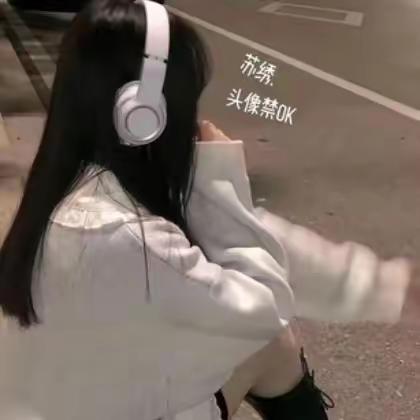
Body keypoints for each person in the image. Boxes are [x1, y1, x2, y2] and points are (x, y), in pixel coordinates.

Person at [0, 1, 413, 420]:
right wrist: (219, 176)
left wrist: (380, 285)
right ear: (141, 116)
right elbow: (264, 311)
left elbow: (235, 259)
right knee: (269, 343)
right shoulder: (129, 239)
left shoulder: (63, 198)